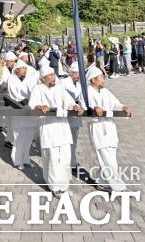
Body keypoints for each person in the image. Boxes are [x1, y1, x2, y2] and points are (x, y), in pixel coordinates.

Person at [29, 66, 84, 198]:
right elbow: (32, 105)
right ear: (42, 78)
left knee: (65, 157)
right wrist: (39, 106)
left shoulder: (59, 88)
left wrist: (75, 106)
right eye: (50, 75)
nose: (53, 77)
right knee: (52, 158)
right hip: (49, 128)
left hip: (62, 127)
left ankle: (64, 185)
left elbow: (69, 101)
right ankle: (54, 186)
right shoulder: (38, 89)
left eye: (54, 75)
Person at [86, 66, 132, 192]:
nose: (103, 80)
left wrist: (123, 108)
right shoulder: (87, 92)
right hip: (98, 128)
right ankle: (118, 188)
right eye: (101, 77)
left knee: (109, 157)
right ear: (93, 79)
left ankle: (102, 183)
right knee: (108, 160)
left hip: (110, 128)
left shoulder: (105, 91)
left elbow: (115, 103)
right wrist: (95, 108)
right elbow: (86, 105)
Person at [8, 60, 38, 169]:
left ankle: (26, 159)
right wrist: (28, 100)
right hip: (19, 111)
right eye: (23, 68)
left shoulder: (28, 80)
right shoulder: (12, 79)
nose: (25, 70)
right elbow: (15, 95)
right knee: (19, 138)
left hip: (30, 112)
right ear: (16, 69)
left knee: (29, 138)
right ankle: (17, 161)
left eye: (26, 68)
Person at [60, 62, 83, 168]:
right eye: (77, 74)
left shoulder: (80, 84)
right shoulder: (63, 82)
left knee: (74, 140)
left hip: (76, 116)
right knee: (64, 139)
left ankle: (72, 160)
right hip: (66, 115)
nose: (79, 76)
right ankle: (63, 160)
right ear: (72, 73)